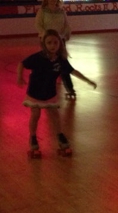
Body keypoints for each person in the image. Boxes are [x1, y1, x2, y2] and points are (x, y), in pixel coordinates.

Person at [16, 30, 97, 158]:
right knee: (35, 114)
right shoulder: (38, 57)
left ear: (60, 43)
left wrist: (88, 80)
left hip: (49, 92)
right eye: (49, 43)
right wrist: (19, 77)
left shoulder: (61, 60)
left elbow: (72, 71)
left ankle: (60, 135)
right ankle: (32, 137)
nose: (52, 45)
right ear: (44, 44)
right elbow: (22, 63)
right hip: (35, 91)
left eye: (55, 42)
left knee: (55, 115)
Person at [35, 0, 76, 98]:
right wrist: (46, 35)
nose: (53, 0)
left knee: (63, 64)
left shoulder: (61, 11)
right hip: (47, 42)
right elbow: (38, 25)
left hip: (59, 41)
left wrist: (66, 34)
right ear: (47, 0)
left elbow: (66, 25)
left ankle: (70, 89)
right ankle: (45, 89)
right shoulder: (42, 11)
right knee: (48, 65)